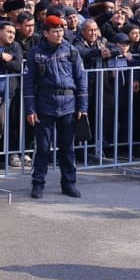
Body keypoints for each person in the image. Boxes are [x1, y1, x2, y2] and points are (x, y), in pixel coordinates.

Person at [22, 14, 84, 200]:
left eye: (61, 30)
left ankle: (69, 183)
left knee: (67, 148)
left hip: (68, 104)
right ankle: (38, 183)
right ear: (46, 33)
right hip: (45, 104)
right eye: (55, 31)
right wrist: (30, 109)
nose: (59, 34)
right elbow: (28, 83)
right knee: (42, 147)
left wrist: (82, 106)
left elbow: (81, 80)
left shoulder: (71, 51)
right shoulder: (36, 53)